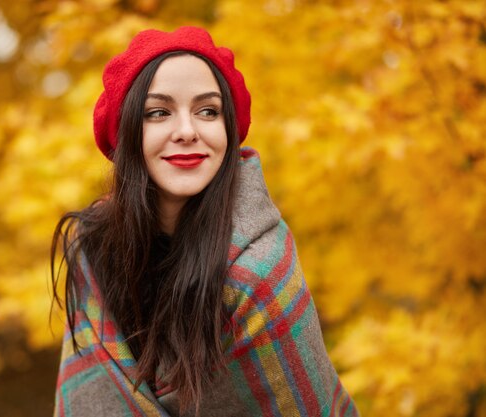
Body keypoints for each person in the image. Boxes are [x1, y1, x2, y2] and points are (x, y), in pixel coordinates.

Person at [51, 26, 359, 417]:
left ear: (228, 131)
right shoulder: (94, 256)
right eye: (158, 112)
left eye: (207, 111)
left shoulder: (257, 274)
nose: (186, 131)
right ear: (127, 133)